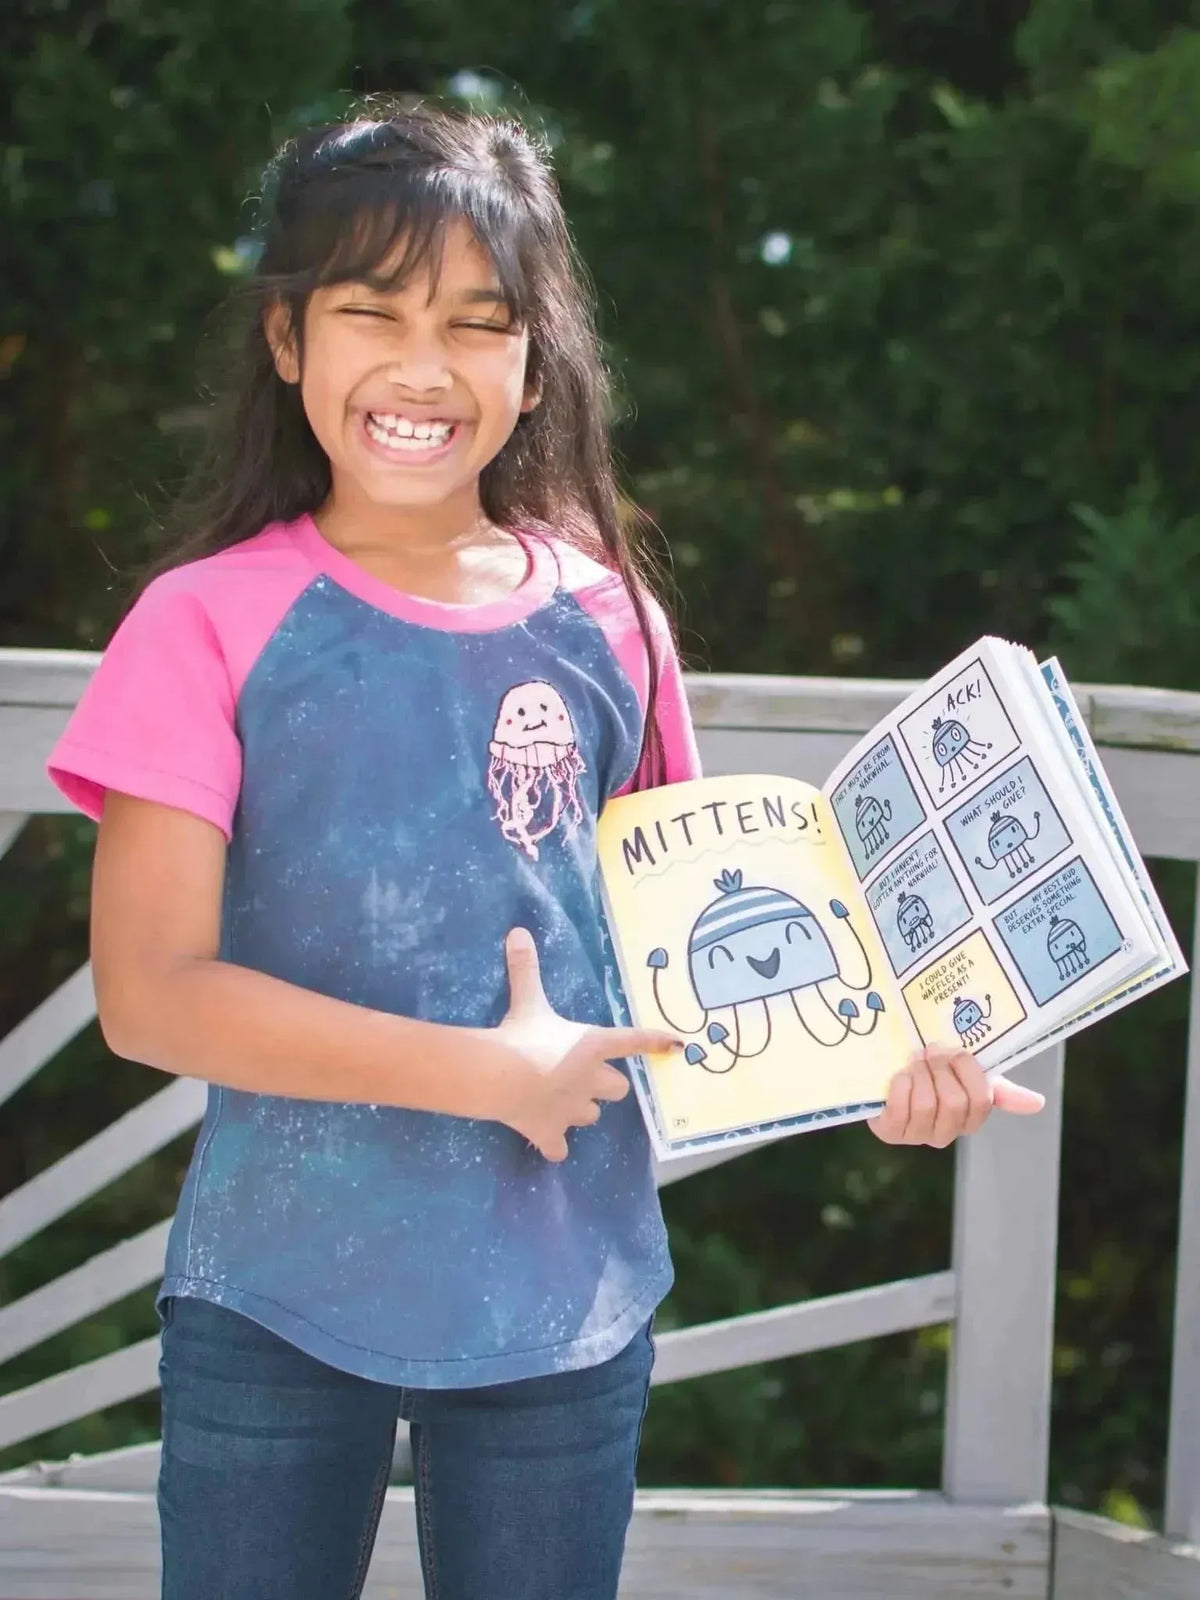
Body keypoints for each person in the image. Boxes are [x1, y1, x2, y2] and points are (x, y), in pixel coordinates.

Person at [45, 104, 1045, 1600]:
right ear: (285, 340)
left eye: (476, 321)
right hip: (276, 1287)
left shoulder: (610, 620)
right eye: (370, 313)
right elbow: (152, 996)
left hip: (567, 1296)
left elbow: (691, 965)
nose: (424, 366)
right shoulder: (201, 625)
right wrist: (472, 1071)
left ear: (534, 356)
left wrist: (888, 1071)